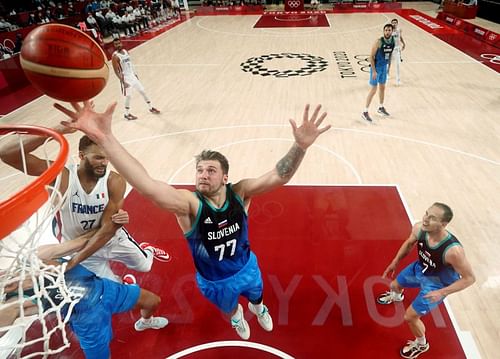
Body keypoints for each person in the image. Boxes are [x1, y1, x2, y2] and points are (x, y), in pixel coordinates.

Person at [56, 101, 331, 340]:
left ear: (225, 177)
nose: (203, 175)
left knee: (257, 295)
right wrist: (106, 139)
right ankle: (237, 316)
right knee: (231, 308)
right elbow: (147, 186)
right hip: (214, 281)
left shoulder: (241, 192)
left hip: (246, 267)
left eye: (211, 170)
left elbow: (278, 176)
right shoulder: (189, 205)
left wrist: (299, 147)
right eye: (199, 170)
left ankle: (258, 308)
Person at [0, 126, 170, 283]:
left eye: (107, 158)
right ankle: (121, 284)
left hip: (110, 240)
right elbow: (7, 153)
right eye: (98, 157)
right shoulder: (62, 177)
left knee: (145, 265)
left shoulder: (114, 181)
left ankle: (146, 250)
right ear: (81, 156)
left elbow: (108, 229)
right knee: (109, 285)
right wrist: (58, 130)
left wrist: (73, 262)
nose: (104, 163)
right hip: (78, 245)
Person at [1, 229, 168, 359]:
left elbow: (81, 241)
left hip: (105, 289)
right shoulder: (19, 301)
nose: (5, 278)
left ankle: (145, 322)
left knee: (153, 302)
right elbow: (8, 314)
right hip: (87, 321)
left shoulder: (36, 257)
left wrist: (110, 225)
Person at [377, 203, 475, 359]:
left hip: (436, 284)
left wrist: (442, 292)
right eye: (426, 214)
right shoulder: (419, 228)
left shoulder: (453, 251)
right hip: (419, 268)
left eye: (433, 218)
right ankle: (397, 296)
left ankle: (421, 344)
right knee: (394, 285)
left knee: (410, 317)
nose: (426, 219)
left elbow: (470, 279)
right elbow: (409, 243)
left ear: (443, 224)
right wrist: (395, 261)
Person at [112, 38, 161, 121]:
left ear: (121, 43)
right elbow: (116, 71)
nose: (118, 45)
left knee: (142, 91)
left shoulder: (126, 51)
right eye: (116, 44)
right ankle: (126, 114)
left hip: (132, 76)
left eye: (119, 43)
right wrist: (123, 81)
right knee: (128, 96)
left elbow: (130, 64)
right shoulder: (115, 56)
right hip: (126, 78)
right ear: (114, 45)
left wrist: (135, 74)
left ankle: (151, 107)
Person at [362, 24, 395, 123]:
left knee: (382, 87)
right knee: (373, 89)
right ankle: (365, 112)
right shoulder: (379, 42)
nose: (387, 32)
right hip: (376, 67)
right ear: (383, 31)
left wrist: (389, 68)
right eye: (386, 30)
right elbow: (371, 57)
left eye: (389, 30)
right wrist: (374, 71)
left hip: (384, 67)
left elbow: (389, 55)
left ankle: (380, 107)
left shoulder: (393, 41)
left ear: (392, 31)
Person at [388, 19, 406, 86]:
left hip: (397, 49)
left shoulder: (399, 30)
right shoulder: (389, 31)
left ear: (397, 23)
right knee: (388, 62)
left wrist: (403, 43)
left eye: (395, 23)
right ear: (391, 23)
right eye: (393, 23)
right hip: (390, 49)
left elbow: (400, 37)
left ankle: (398, 80)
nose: (394, 24)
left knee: (398, 64)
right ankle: (387, 74)